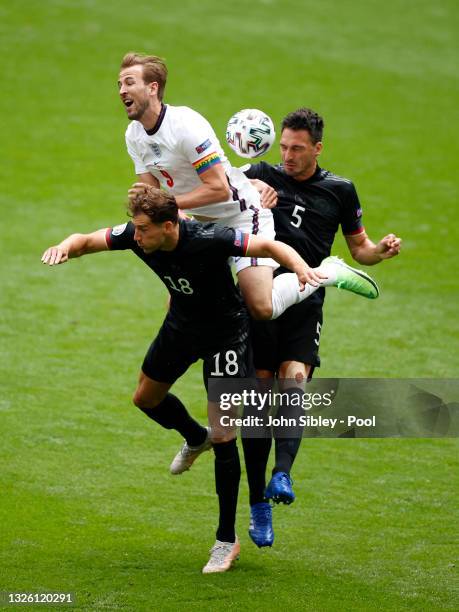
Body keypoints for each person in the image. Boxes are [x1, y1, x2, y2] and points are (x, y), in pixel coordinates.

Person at [40, 184, 337, 573]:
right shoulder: (138, 234)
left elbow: (268, 248)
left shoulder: (210, 238)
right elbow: (85, 240)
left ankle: (226, 541)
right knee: (145, 399)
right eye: (136, 227)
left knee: (225, 434)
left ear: (169, 226)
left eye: (144, 229)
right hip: (181, 327)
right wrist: (64, 247)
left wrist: (299, 267)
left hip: (226, 336)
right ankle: (194, 437)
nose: (137, 235)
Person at [117, 52, 379, 326]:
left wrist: (171, 206)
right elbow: (154, 200)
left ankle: (328, 273)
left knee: (262, 307)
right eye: (119, 85)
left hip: (241, 216)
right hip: (201, 222)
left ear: (152, 87)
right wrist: (145, 205)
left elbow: (219, 190)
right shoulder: (133, 135)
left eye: (129, 82)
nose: (122, 90)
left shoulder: (184, 125)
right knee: (181, 304)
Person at [241, 107, 402, 548]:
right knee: (256, 401)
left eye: (297, 148)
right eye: (284, 147)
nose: (287, 156)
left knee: (293, 384)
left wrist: (380, 252)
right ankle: (257, 505)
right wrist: (251, 190)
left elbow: (360, 249)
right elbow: (218, 195)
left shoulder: (340, 191)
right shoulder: (259, 172)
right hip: (259, 296)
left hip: (305, 302)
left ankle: (283, 476)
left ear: (317, 148)